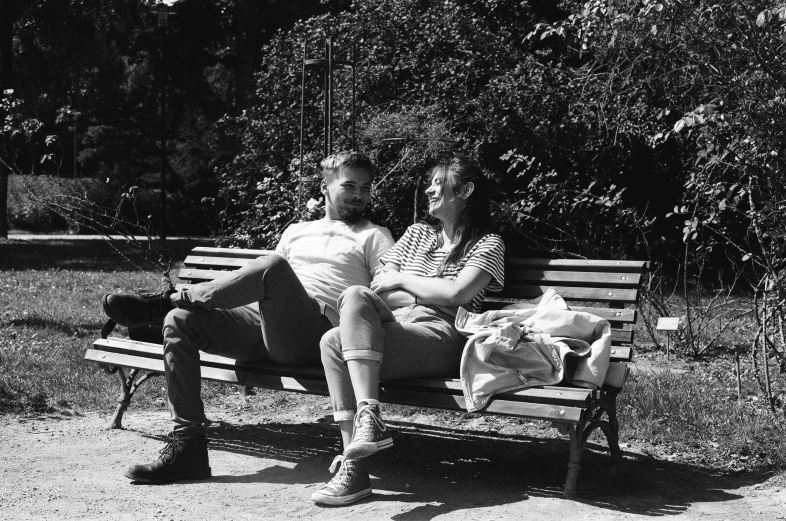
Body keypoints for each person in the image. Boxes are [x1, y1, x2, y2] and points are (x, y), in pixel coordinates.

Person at [101, 150, 394, 484]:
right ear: (325, 187)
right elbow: (258, 283)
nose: (359, 195)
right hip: (263, 324)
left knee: (272, 266)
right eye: (350, 185)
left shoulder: (375, 236)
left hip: (316, 333)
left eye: (366, 187)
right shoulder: (296, 231)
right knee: (180, 322)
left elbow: (386, 294)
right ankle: (189, 448)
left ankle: (166, 301)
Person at [311, 156, 505, 506]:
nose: (429, 189)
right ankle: (359, 450)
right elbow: (379, 288)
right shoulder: (416, 234)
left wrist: (403, 279)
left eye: (437, 182)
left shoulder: (488, 244)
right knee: (339, 325)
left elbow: (458, 296)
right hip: (398, 324)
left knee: (341, 331)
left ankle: (359, 451)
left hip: (442, 333)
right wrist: (432, 288)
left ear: (464, 190)